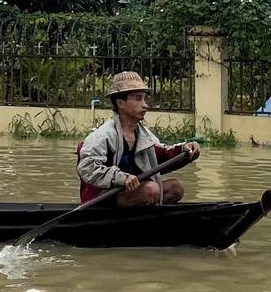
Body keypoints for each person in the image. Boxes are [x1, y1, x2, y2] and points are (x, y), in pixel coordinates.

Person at [76, 71, 200, 206]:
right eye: (138, 99)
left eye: (144, 99)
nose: (145, 105)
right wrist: (121, 178)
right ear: (120, 103)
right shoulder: (103, 135)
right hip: (101, 199)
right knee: (151, 190)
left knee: (176, 188)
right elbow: (87, 168)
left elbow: (160, 156)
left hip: (131, 194)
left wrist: (184, 150)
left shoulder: (143, 134)